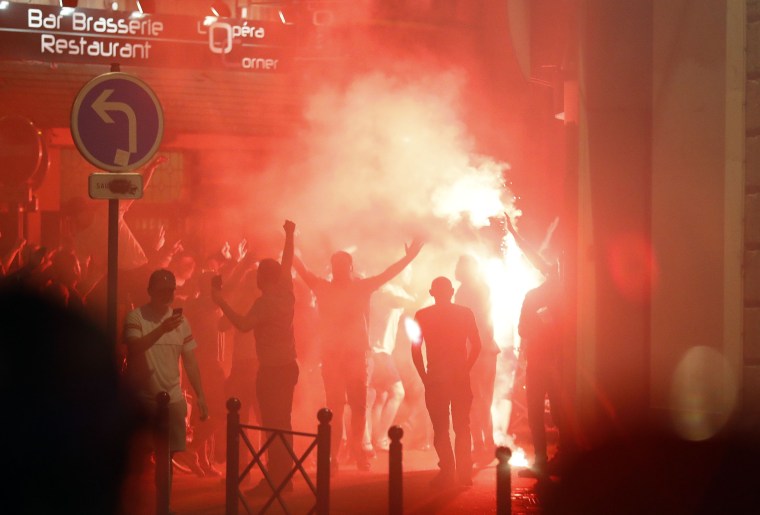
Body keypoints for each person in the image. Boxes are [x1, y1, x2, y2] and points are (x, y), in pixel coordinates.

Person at [293, 238, 424, 471]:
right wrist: (410, 256)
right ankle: (350, 454)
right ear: (349, 268)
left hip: (344, 356)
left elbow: (301, 269)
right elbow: (388, 273)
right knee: (354, 407)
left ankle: (343, 455)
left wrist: (288, 245)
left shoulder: (331, 287)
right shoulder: (357, 287)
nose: (341, 272)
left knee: (343, 407)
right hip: (348, 356)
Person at [212, 220, 299, 495]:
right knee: (282, 423)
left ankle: (276, 479)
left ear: (264, 278)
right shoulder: (286, 292)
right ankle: (285, 478)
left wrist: (221, 302)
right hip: (288, 367)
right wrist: (289, 235)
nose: (257, 278)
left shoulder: (264, 302)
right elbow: (286, 263)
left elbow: (243, 324)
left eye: (260, 274)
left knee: (274, 425)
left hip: (272, 371)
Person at [123, 268, 209, 510]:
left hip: (171, 400)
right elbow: (134, 347)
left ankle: (164, 507)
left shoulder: (182, 323)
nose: (167, 295)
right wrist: (162, 329)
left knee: (166, 458)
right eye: (162, 290)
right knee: (137, 459)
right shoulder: (135, 317)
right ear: (150, 291)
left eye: (171, 290)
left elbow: (190, 361)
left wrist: (200, 395)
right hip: (142, 400)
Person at [412, 276, 481, 487]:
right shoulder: (464, 313)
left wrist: (425, 377)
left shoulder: (422, 316)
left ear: (431, 292)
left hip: (435, 379)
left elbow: (415, 349)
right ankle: (464, 474)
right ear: (451, 292)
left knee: (440, 428)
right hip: (458, 378)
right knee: (462, 426)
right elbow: (477, 345)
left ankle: (448, 471)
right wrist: (465, 369)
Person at [518, 262, 565, 477]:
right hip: (558, 362)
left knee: (537, 413)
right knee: (558, 412)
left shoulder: (533, 296)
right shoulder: (567, 297)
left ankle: (542, 460)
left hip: (541, 362)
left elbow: (522, 329)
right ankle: (559, 457)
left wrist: (543, 327)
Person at [454, 254, 499, 465]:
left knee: (475, 397)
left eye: (460, 266)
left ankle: (482, 443)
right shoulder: (483, 287)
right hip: (487, 349)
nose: (457, 269)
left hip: (476, 350)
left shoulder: (466, 291)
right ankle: (486, 442)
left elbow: (466, 324)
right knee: (484, 398)